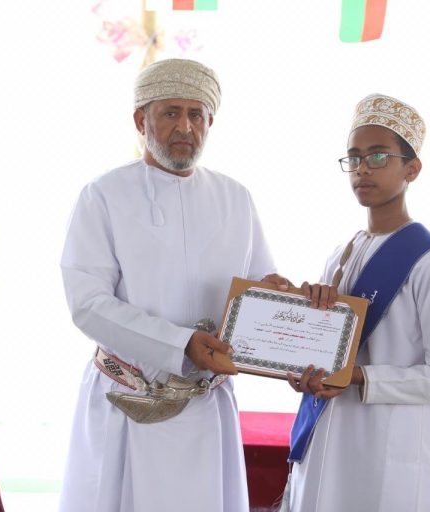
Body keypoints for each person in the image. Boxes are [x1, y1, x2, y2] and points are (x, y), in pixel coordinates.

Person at [58, 58, 290, 511]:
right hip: (128, 403)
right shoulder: (103, 195)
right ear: (140, 120)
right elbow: (87, 304)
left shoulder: (236, 198)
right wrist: (180, 345)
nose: (185, 127)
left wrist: (279, 301)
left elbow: (259, 289)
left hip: (207, 412)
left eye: (196, 114)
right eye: (171, 113)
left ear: (210, 123)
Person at [284, 94, 430, 511]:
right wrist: (302, 366)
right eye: (354, 158)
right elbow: (326, 354)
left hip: (388, 452)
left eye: (379, 156)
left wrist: (359, 377)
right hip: (328, 443)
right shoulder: (341, 255)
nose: (363, 168)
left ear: (412, 169)